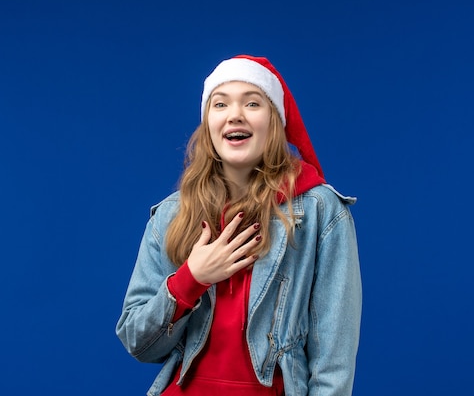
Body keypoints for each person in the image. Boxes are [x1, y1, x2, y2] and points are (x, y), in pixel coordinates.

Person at [116, 55, 362, 396]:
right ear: (208, 123)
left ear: (274, 120)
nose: (235, 114)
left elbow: (333, 363)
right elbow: (139, 343)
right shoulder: (172, 214)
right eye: (220, 103)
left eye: (252, 102)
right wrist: (191, 279)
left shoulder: (321, 212)